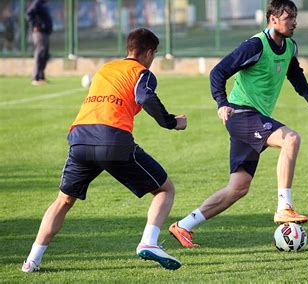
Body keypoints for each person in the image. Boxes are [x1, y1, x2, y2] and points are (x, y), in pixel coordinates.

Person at [21, 28, 187, 273]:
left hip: (79, 138)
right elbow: (145, 97)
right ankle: (149, 242)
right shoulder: (142, 72)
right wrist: (172, 122)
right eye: (154, 54)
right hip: (112, 139)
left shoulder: (106, 68)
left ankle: (31, 261)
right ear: (149, 52)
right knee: (164, 189)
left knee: (63, 201)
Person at [168, 0, 308, 248]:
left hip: (255, 118)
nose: (294, 22)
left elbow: (293, 70)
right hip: (241, 114)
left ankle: (183, 226)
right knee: (291, 138)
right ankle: (284, 207)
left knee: (238, 188)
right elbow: (218, 72)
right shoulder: (255, 45)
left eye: (295, 17)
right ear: (273, 19)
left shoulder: (289, 46)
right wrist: (222, 103)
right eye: (289, 18)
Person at [26, 0, 53, 86]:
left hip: (45, 32)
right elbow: (29, 14)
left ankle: (41, 76)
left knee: (45, 55)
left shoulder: (43, 3)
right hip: (39, 33)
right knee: (40, 53)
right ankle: (35, 77)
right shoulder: (37, 2)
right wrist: (35, 25)